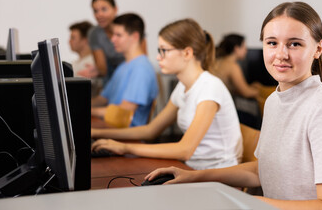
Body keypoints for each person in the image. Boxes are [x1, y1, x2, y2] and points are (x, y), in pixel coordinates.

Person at [146, 2, 322, 209]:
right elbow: (261, 172)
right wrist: (194, 176)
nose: (281, 54)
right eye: (272, 43)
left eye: (295, 44)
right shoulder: (275, 101)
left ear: (318, 49)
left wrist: (243, 202)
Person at [91, 18, 243, 170]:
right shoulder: (182, 86)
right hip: (193, 170)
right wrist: (97, 133)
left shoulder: (210, 87)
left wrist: (126, 148)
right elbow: (151, 130)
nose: (158, 57)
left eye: (164, 50)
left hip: (218, 176)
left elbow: (185, 150)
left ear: (187, 53)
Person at [91, 13, 158, 127]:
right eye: (113, 34)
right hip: (112, 128)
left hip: (125, 135)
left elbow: (124, 111)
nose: (112, 39)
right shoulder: (123, 66)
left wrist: (86, 111)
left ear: (135, 37)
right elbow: (103, 98)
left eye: (118, 35)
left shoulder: (141, 68)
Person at [211, 34, 262, 128]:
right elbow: (246, 92)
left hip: (213, 113)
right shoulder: (232, 66)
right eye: (244, 47)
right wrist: (262, 91)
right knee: (255, 119)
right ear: (236, 48)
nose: (246, 50)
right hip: (224, 114)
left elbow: (231, 88)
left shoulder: (217, 62)